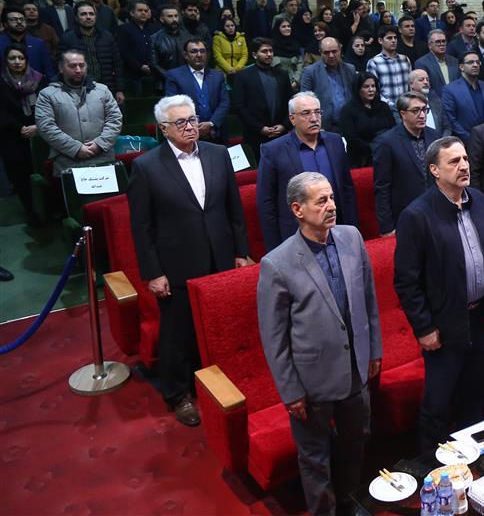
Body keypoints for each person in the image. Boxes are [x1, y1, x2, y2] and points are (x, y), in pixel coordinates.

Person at [257, 172, 380, 516]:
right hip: (312, 382)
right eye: (321, 201)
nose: (331, 206)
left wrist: (374, 351)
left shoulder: (352, 237)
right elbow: (274, 337)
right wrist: (290, 391)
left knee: (356, 442)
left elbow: (368, 300)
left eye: (332, 198)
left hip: (356, 370)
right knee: (315, 458)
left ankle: (350, 502)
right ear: (298, 209)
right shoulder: (277, 263)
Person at [129, 95, 251, 426]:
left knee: (222, 326)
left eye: (193, 119)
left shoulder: (218, 154)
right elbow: (142, 228)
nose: (189, 127)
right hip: (177, 264)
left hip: (221, 257)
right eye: (180, 122)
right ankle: (178, 393)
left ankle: (224, 384)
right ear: (164, 128)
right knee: (178, 334)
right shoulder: (146, 167)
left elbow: (234, 210)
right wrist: (153, 273)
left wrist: (241, 252)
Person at [394, 137, 484, 450]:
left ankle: (471, 459)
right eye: (454, 161)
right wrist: (424, 328)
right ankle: (433, 464)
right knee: (439, 403)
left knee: (475, 395)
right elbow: (406, 282)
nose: (464, 166)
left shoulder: (478, 200)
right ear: (434, 170)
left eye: (465, 159)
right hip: (444, 325)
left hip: (480, 317)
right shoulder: (416, 215)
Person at [257, 92, 357, 250]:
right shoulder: (273, 151)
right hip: (296, 236)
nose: (314, 118)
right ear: (292, 119)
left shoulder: (335, 142)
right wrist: (275, 248)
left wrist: (352, 229)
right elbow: (266, 202)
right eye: (306, 113)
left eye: (317, 112)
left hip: (337, 230)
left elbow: (347, 189)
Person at [35, 49, 122, 176]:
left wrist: (99, 144)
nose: (78, 70)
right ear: (61, 68)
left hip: (103, 158)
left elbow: (115, 119)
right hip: (67, 161)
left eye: (81, 65)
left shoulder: (102, 90)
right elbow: (46, 127)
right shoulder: (47, 95)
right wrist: (75, 148)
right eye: (72, 66)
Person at [372, 91, 439, 236]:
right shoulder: (386, 142)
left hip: (437, 211)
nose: (422, 115)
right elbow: (382, 187)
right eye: (416, 111)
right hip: (406, 216)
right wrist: (386, 227)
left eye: (424, 109)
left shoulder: (434, 135)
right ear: (403, 114)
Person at [0, 44, 44, 225]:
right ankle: (31, 212)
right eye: (12, 58)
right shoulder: (2, 81)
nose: (17, 62)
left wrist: (37, 126)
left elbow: (47, 105)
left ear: (26, 60)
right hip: (11, 135)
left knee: (40, 172)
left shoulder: (38, 79)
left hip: (39, 132)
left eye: (21, 58)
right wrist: (20, 128)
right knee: (20, 176)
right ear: (6, 61)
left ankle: (46, 208)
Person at [163, 38, 229, 143]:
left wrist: (211, 123)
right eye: (194, 51)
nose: (199, 55)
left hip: (216, 133)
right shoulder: (174, 75)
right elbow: (173, 105)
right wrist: (193, 125)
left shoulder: (218, 76)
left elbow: (224, 102)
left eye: (202, 51)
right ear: (185, 55)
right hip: (187, 133)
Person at [231, 38, 291, 149]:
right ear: (254, 55)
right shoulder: (243, 76)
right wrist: (259, 128)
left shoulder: (282, 75)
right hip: (255, 135)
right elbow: (239, 107)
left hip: (281, 133)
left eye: (271, 51)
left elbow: (291, 103)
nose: (269, 54)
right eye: (264, 51)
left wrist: (284, 125)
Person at [59, 1, 124, 101]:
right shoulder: (67, 38)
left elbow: (117, 63)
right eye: (83, 14)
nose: (88, 17)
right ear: (76, 18)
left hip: (107, 88)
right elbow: (61, 66)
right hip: (79, 90)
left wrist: (120, 89)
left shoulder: (107, 37)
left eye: (91, 14)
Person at [301, 37, 357, 133]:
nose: (331, 55)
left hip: (349, 124)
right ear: (320, 52)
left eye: (334, 51)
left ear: (340, 50)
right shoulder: (310, 72)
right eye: (326, 53)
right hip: (324, 127)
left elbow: (356, 96)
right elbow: (305, 103)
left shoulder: (350, 69)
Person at [442, 52, 484, 140]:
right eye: (470, 62)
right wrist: (470, 139)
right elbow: (451, 119)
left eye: (478, 62)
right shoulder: (450, 89)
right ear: (461, 67)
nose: (475, 65)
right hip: (465, 140)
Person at [1, 6, 57, 82]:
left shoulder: (38, 43)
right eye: (14, 19)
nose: (19, 22)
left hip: (36, 86)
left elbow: (49, 71)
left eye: (22, 19)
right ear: (5, 24)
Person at [414, 29, 459, 97]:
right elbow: (425, 89)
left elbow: (459, 83)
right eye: (438, 42)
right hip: (435, 102)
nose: (442, 44)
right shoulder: (421, 63)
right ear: (429, 45)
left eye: (443, 41)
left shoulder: (454, 61)